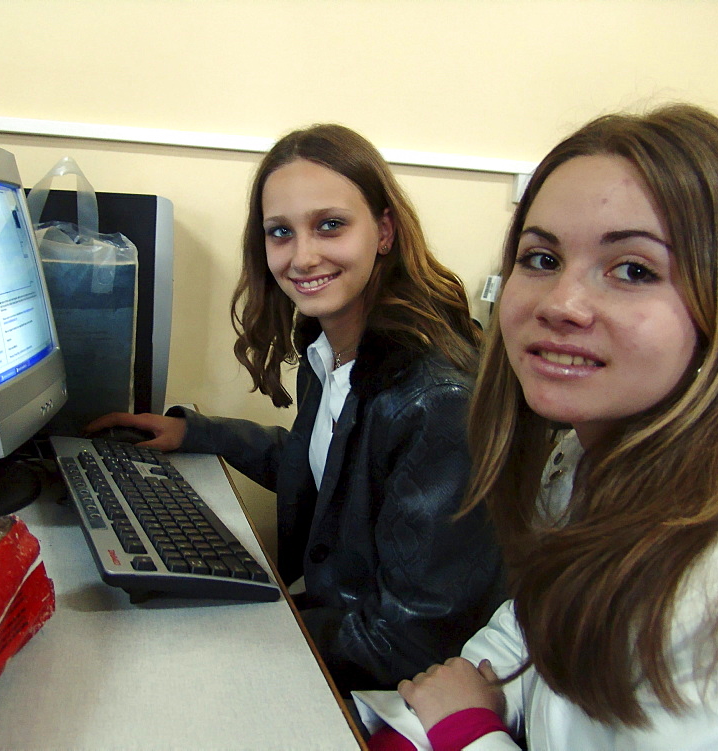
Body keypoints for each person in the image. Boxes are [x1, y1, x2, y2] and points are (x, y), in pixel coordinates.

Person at [355, 103, 718, 749]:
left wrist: (465, 730)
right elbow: (533, 625)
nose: (560, 302)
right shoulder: (581, 459)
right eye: (540, 258)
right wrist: (427, 714)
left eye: (634, 270)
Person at [86, 124, 505, 692]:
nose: (303, 257)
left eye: (330, 225)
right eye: (280, 232)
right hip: (345, 627)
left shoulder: (438, 401)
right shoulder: (332, 345)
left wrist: (255, 628)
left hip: (397, 687)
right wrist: (198, 433)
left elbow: (412, 641)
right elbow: (332, 466)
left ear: (383, 231)